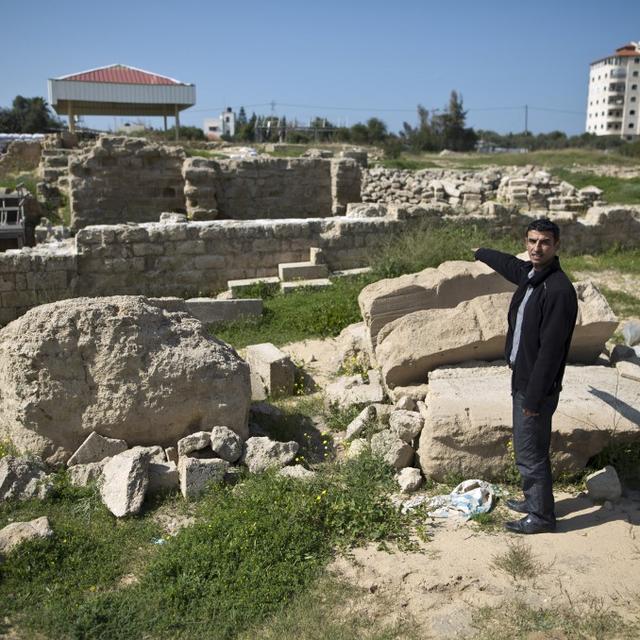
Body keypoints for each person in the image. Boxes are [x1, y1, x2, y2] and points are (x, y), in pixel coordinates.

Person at [473, 218, 578, 534]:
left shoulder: (558, 290)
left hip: (536, 386)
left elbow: (551, 353)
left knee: (530, 452)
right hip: (522, 378)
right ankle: (536, 502)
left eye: (544, 242)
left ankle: (542, 518)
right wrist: (480, 252)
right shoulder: (532, 275)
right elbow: (509, 264)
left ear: (556, 246)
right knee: (529, 446)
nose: (536, 247)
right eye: (532, 241)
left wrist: (533, 397)